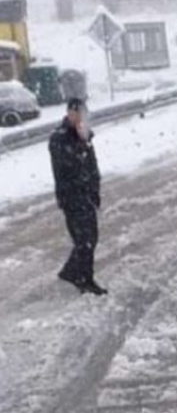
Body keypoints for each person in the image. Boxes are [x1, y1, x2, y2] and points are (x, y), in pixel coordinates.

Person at [49, 98, 107, 296]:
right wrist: (81, 142)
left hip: (87, 195)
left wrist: (95, 189)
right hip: (72, 197)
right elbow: (68, 165)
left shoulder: (83, 135)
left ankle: (74, 273)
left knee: (91, 238)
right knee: (84, 240)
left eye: (84, 114)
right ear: (70, 114)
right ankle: (82, 278)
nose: (81, 118)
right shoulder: (60, 137)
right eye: (78, 114)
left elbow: (92, 165)